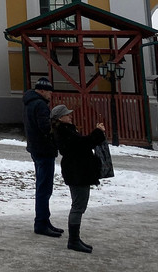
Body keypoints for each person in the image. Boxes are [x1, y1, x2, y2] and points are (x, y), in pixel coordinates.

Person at [50, 104, 107, 254]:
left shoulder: (66, 130)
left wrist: (96, 133)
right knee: (78, 206)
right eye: (67, 115)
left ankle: (75, 239)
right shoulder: (64, 131)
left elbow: (81, 143)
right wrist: (98, 132)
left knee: (79, 205)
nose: (70, 116)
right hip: (77, 172)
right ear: (61, 118)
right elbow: (82, 144)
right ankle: (73, 240)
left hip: (78, 171)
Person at [23, 76, 61, 238]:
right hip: (44, 150)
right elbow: (46, 128)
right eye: (49, 92)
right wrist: (57, 129)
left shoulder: (29, 103)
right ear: (42, 90)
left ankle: (44, 221)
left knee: (42, 187)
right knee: (44, 189)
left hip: (35, 149)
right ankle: (41, 223)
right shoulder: (41, 106)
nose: (50, 95)